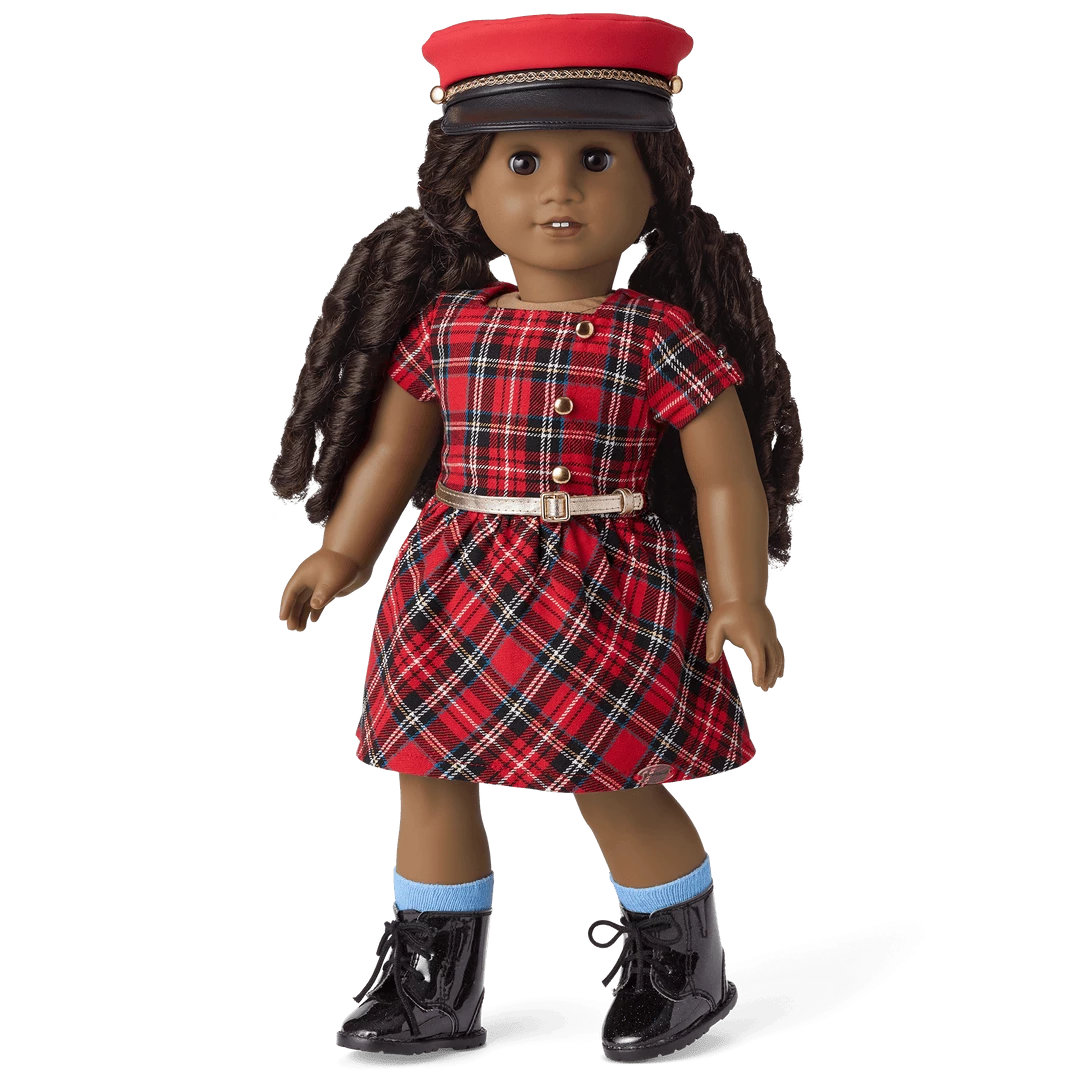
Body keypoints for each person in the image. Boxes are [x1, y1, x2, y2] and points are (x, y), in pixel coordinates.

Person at [273, 12, 801, 1064]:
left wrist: (742, 596)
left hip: (605, 582)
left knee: (612, 775)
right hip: (454, 580)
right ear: (465, 188)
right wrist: (340, 554)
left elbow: (726, 477)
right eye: (523, 162)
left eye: (596, 160)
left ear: (655, 184)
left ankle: (677, 967)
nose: (561, 192)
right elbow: (389, 455)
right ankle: (429, 986)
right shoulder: (448, 327)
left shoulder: (658, 336)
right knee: (428, 772)